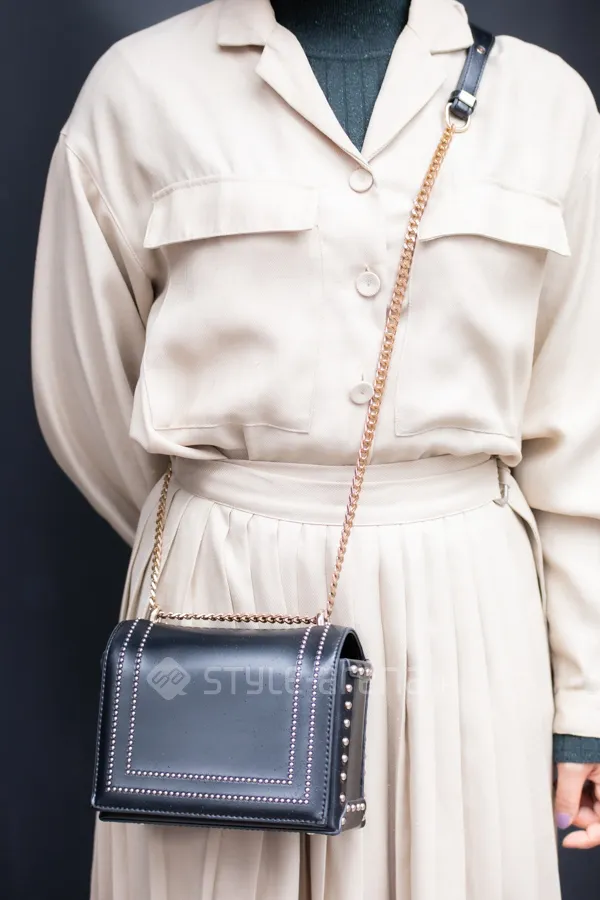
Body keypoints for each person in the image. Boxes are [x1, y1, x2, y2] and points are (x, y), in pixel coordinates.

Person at [31, 0, 600, 897]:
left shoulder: (548, 103)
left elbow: (580, 431)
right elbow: (84, 386)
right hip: (218, 603)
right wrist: (225, 526)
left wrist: (585, 703)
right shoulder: (137, 89)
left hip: (470, 619)